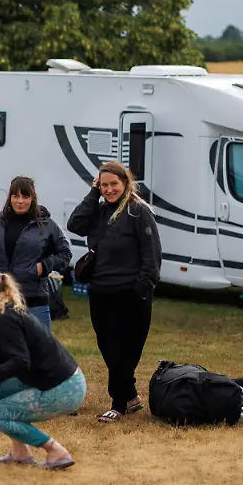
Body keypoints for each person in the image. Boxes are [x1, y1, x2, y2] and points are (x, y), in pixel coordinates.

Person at [67, 161, 161, 424]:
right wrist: (93, 193)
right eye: (104, 184)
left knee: (126, 352)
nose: (109, 190)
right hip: (101, 291)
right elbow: (74, 224)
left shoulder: (139, 212)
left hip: (132, 294)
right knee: (109, 349)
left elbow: (151, 256)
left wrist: (141, 289)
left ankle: (118, 404)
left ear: (126, 183)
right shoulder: (97, 212)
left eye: (113, 184)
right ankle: (131, 396)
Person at [0, 269, 87, 469]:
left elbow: (20, 362)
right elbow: (5, 360)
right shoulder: (2, 312)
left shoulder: (5, 318)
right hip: (64, 382)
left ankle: (56, 451)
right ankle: (20, 452)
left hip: (65, 389)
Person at [0, 176, 71, 330]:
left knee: (39, 349)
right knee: (3, 349)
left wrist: (44, 266)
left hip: (34, 299)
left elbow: (65, 253)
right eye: (16, 196)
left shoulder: (46, 225)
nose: (20, 201)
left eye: (25, 197)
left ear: (32, 198)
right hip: (1, 298)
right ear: (10, 198)